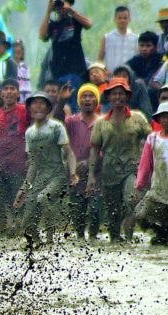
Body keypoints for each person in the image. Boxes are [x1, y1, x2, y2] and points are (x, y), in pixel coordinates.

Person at [88, 78, 152, 242]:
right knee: (113, 211)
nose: (118, 97)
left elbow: (151, 140)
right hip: (109, 172)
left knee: (130, 201)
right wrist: (91, 177)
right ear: (108, 97)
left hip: (132, 169)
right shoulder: (101, 123)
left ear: (127, 96)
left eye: (121, 94)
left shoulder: (138, 118)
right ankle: (115, 241)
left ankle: (129, 240)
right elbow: (95, 150)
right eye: (114, 94)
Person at [14, 92, 78, 245]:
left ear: (48, 108)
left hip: (57, 174)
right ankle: (39, 244)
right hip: (40, 177)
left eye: (42, 103)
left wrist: (73, 173)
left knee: (43, 198)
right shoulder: (30, 133)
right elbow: (34, 163)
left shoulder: (56, 127)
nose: (38, 106)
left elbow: (69, 153)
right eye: (34, 103)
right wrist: (24, 187)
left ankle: (51, 237)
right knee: (26, 222)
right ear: (29, 108)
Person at [0, 79, 29, 235]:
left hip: (17, 165)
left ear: (18, 93)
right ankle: (1, 232)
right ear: (1, 94)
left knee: (17, 202)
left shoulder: (25, 111)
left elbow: (32, 133)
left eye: (13, 89)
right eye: (6, 89)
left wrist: (30, 159)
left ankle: (19, 233)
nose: (9, 92)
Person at [39, 0, 92, 112]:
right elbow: (42, 36)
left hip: (76, 72)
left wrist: (71, 11)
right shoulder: (52, 25)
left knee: (76, 105)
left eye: (62, 3)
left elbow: (88, 24)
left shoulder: (74, 21)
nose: (60, 7)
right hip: (58, 73)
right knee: (61, 106)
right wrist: (48, 11)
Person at [66, 83, 102, 240]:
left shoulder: (103, 122)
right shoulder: (71, 121)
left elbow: (106, 147)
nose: (87, 99)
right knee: (77, 213)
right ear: (79, 101)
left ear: (97, 100)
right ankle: (80, 240)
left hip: (97, 173)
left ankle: (93, 240)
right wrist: (62, 101)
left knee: (95, 210)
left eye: (91, 96)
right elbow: (62, 139)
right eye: (84, 96)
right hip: (76, 174)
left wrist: (89, 163)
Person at [135, 102, 168, 245]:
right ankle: (160, 232)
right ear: (159, 119)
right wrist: (140, 185)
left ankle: (165, 236)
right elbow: (145, 165)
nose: (167, 120)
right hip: (158, 190)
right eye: (164, 117)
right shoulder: (153, 138)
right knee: (141, 215)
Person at [126, 31, 162, 105]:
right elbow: (124, 69)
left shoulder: (161, 60)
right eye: (141, 45)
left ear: (156, 47)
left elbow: (152, 79)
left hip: (156, 95)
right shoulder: (136, 59)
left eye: (148, 46)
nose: (144, 49)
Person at [99, 6, 138, 72]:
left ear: (130, 19)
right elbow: (99, 60)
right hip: (111, 77)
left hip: (129, 77)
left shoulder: (136, 38)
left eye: (125, 18)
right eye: (119, 18)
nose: (122, 20)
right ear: (115, 19)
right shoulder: (107, 38)